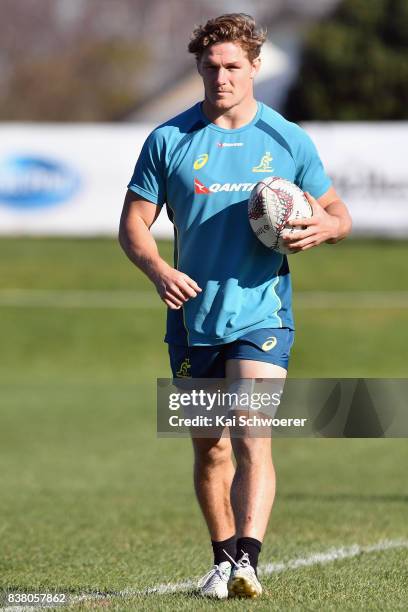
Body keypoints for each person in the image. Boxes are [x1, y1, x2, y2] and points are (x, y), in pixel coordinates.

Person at [119, 13, 352, 599]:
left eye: (232, 67)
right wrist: (158, 270)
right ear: (199, 67)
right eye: (211, 66)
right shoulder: (168, 140)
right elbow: (133, 227)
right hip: (191, 318)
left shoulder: (287, 139)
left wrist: (322, 228)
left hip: (262, 312)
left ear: (254, 68)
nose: (221, 77)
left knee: (251, 433)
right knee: (210, 448)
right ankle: (223, 561)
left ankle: (248, 560)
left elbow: (338, 213)